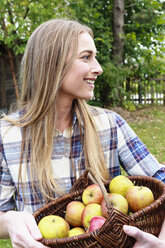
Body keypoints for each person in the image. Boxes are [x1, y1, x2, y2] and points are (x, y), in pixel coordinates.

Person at [0, 18, 164, 248]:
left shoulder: (109, 125)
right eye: (86, 57)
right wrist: (11, 220)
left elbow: (161, 183)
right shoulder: (7, 136)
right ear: (52, 64)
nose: (98, 68)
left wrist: (161, 242)